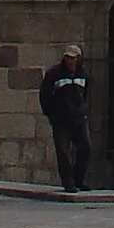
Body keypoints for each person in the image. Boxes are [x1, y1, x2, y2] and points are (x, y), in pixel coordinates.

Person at [39, 44, 91, 193]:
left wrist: (82, 110)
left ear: (78, 59)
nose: (69, 61)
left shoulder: (83, 74)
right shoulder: (54, 74)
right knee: (63, 151)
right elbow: (45, 95)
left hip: (79, 118)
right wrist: (51, 113)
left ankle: (78, 179)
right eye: (67, 57)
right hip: (61, 119)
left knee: (86, 148)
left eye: (73, 58)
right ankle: (68, 182)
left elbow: (85, 94)